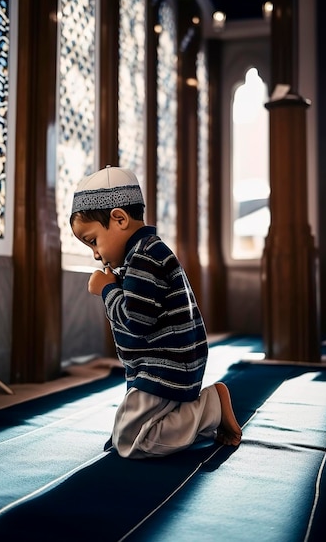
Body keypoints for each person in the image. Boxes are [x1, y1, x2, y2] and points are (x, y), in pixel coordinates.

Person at [70, 165, 242, 459]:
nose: (96, 254)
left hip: (165, 368)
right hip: (164, 365)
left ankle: (209, 407)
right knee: (126, 434)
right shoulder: (145, 252)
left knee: (132, 444)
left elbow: (136, 323)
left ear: (119, 219)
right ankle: (195, 409)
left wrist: (107, 290)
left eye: (93, 241)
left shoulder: (144, 258)